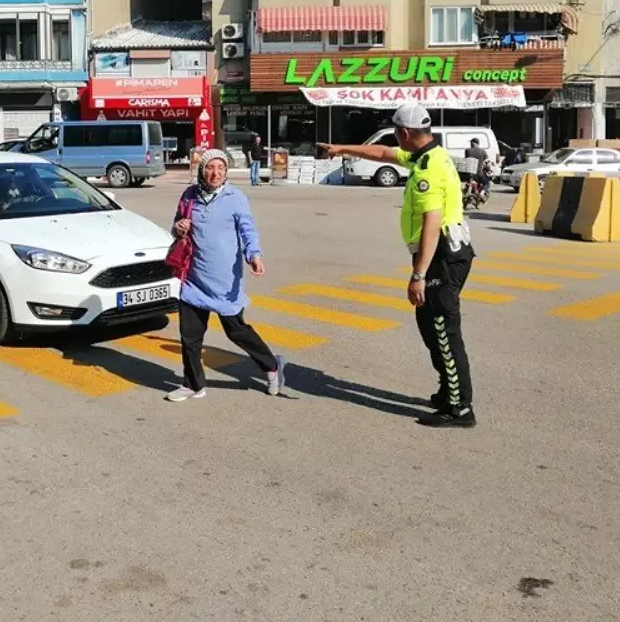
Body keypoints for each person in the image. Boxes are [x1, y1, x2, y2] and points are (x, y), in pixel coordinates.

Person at [321, 105, 477, 428]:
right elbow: (383, 154)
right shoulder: (427, 154)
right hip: (446, 252)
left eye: (396, 132)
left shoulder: (426, 171)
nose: (394, 138)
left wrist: (418, 275)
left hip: (441, 257)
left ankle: (460, 408)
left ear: (405, 133)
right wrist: (342, 149)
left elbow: (431, 223)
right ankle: (450, 390)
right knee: (429, 324)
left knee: (443, 331)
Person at [166, 148, 286, 402]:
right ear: (202, 170)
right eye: (211, 167)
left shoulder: (235, 197)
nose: (215, 173)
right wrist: (178, 227)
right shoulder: (190, 195)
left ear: (226, 172)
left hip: (224, 280)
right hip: (194, 278)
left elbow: (247, 230)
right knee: (190, 337)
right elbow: (177, 224)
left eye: (221, 168)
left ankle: (272, 366)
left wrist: (254, 254)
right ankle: (193, 385)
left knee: (237, 332)